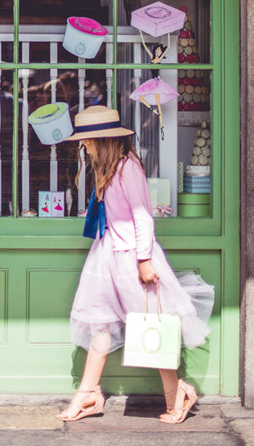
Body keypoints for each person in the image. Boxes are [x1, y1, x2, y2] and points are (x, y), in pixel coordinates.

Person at [58, 105, 214, 425]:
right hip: (108, 256)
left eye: (86, 139)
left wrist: (144, 261)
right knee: (100, 324)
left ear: (103, 139)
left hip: (131, 257)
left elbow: (143, 216)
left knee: (153, 326)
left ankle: (177, 394)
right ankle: (87, 393)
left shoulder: (127, 167)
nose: (82, 145)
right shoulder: (108, 167)